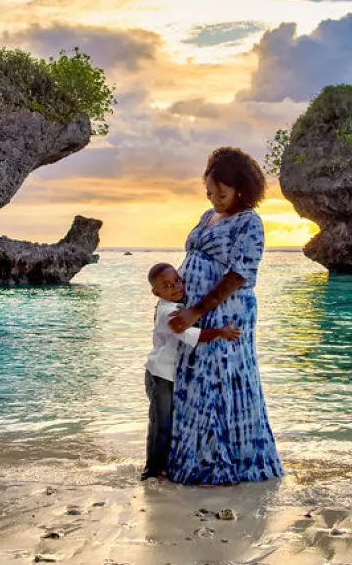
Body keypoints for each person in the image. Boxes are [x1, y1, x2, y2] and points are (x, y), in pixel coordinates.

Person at [166, 146, 284, 485]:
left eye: (222, 190)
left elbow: (238, 275)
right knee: (194, 385)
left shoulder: (250, 222)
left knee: (223, 384)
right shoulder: (207, 217)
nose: (215, 197)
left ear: (241, 188)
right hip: (195, 314)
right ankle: (192, 463)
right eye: (210, 190)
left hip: (225, 313)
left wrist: (195, 310)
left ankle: (229, 466)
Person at [142, 262, 241, 481]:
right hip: (160, 375)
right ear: (156, 293)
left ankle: (162, 465)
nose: (175, 287)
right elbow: (190, 335)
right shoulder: (169, 312)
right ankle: (152, 471)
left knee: (166, 422)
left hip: (168, 374)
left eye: (176, 281)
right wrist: (221, 333)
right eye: (166, 286)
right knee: (162, 424)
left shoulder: (173, 304)